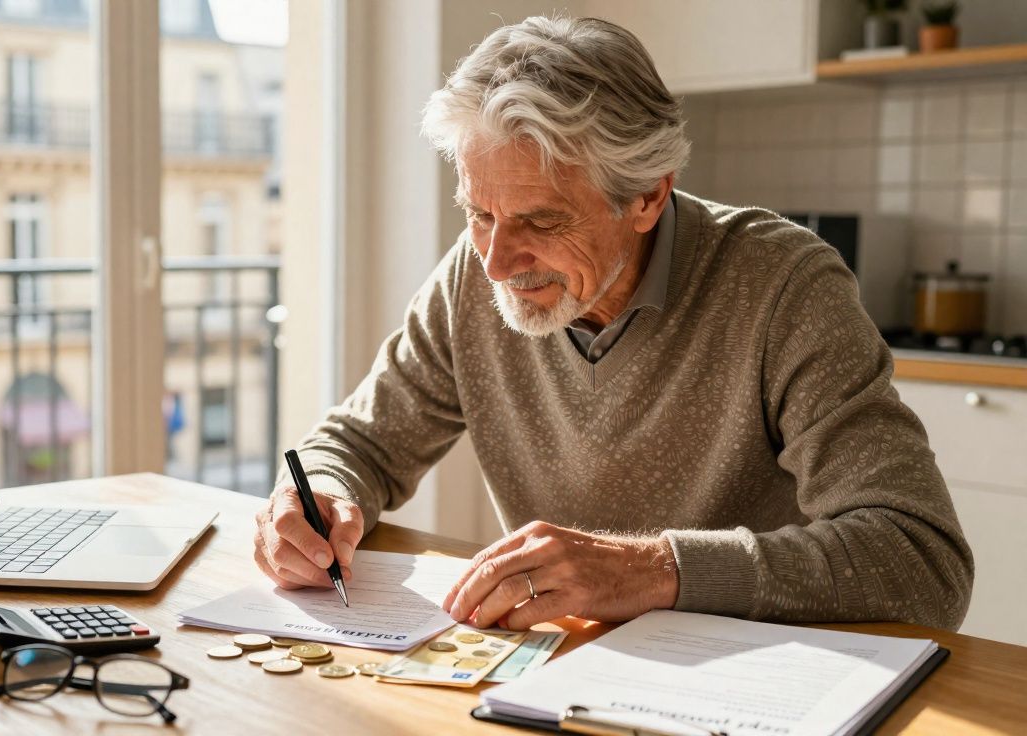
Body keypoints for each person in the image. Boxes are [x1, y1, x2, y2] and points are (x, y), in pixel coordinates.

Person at [253, 16, 973, 631]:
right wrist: (317, 494)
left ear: (647, 198)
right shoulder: (471, 278)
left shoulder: (783, 285)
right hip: (559, 667)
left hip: (751, 678)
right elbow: (359, 443)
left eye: (541, 221)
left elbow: (923, 559)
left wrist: (653, 570)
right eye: (479, 213)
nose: (497, 262)